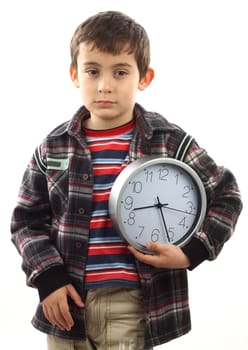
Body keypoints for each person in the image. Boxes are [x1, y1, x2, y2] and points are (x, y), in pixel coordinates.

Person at [11, 10, 242, 350]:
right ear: (75, 74)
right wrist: (48, 277)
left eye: (120, 72)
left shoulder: (167, 141)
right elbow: (27, 221)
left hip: (134, 304)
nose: (105, 85)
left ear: (144, 78)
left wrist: (192, 251)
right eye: (92, 71)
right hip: (65, 303)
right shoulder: (53, 146)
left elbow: (227, 194)